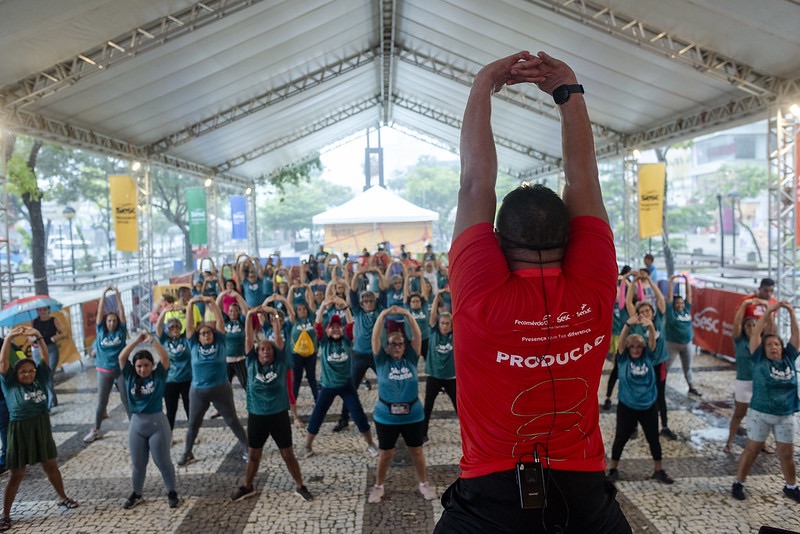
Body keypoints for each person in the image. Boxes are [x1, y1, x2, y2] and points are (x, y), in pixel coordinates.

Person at [434, 51, 629, 533]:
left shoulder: (480, 293)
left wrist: (483, 84)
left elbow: (475, 182)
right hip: (584, 493)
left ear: (497, 243)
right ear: (572, 239)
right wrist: (569, 92)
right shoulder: (596, 284)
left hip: (490, 496)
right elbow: (584, 178)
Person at [230, 306, 312, 502]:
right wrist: (249, 315)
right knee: (254, 455)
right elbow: (249, 340)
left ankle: (300, 485)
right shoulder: (251, 362)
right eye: (262, 349)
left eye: (269, 349)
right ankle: (247, 485)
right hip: (257, 416)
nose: (266, 351)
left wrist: (275, 316)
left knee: (288, 454)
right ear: (257, 353)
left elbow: (279, 340)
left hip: (279, 415)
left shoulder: (280, 362)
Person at [1, 326, 78, 532]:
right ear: (15, 373)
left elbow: (44, 356)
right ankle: (5, 515)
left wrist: (38, 335)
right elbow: (3, 363)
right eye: (23, 371)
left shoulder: (40, 380)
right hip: (19, 430)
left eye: (31, 370)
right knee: (16, 474)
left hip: (41, 427)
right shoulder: (9, 384)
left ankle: (62, 497)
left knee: (51, 466)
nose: (28, 374)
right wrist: (9, 337)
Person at [366, 306, 436, 503]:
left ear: (404, 346)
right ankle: (378, 486)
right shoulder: (381, 361)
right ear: (387, 346)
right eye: (392, 344)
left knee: (417, 451)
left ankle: (423, 483)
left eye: (400, 344)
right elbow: (374, 338)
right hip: (385, 416)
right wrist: (382, 315)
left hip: (413, 414)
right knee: (385, 453)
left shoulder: (411, 359)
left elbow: (417, 336)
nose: (396, 347)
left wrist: (407, 315)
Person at [731, 301, 800, 502]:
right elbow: (755, 335)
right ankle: (738, 483)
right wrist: (769, 311)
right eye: (768, 344)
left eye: (776, 344)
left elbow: (796, 336)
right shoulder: (759, 357)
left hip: (785, 413)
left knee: (787, 453)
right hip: (760, 413)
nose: (772, 347)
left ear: (782, 347)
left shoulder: (788, 357)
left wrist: (791, 312)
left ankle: (791, 485)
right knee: (752, 450)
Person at [178, 296, 248, 466]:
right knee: (193, 424)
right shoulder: (194, 345)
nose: (206, 335)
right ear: (198, 337)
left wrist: (211, 302)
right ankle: (187, 452)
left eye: (209, 332)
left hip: (221, 390)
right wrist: (192, 303)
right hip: (198, 392)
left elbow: (220, 321)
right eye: (203, 333)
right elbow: (188, 326)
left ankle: (248, 448)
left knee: (232, 420)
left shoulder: (220, 342)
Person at [605, 316, 674, 485]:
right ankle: (613, 468)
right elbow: (621, 343)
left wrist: (650, 326)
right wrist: (628, 324)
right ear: (628, 348)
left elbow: (652, 343)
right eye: (632, 346)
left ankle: (658, 470)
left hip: (648, 406)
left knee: (653, 439)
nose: (635, 349)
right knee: (620, 438)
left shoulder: (648, 357)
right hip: (627, 406)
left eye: (639, 346)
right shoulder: (623, 359)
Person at [302, 312, 378, 459]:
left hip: (346, 385)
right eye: (333, 327)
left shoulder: (347, 341)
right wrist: (324, 305)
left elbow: (350, 325)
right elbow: (317, 326)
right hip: (328, 386)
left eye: (338, 327)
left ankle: (370, 444)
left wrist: (344, 306)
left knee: (358, 415)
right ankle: (307, 446)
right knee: (317, 415)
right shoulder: (324, 342)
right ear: (328, 330)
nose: (336, 329)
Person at [118, 332, 179, 509]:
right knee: (138, 464)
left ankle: (172, 492)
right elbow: (122, 357)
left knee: (163, 461)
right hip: (136, 425)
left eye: (146, 365)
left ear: (152, 365)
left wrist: (152, 341)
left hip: (157, 425)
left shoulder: (158, 376)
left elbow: (165, 357)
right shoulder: (130, 376)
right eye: (139, 366)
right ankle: (136, 493)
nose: (142, 369)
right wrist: (136, 341)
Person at [85, 285, 130, 444]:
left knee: (127, 400)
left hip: (120, 371)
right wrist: (103, 294)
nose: (111, 323)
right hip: (103, 371)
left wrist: (117, 294)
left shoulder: (121, 331)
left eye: (114, 320)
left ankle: (135, 427)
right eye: (109, 320)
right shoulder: (100, 331)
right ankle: (96, 429)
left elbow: (121, 311)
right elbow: (100, 312)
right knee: (102, 403)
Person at [724, 298, 762, 454]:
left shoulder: (762, 342)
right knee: (739, 414)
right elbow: (737, 323)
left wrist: (767, 308)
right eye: (748, 325)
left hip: (760, 383)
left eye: (754, 325)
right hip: (743, 382)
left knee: (760, 415)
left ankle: (761, 443)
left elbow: (772, 326)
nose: (751, 328)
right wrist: (745, 305)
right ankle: (729, 442)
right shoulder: (739, 341)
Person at [421, 294, 456, 445]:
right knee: (427, 407)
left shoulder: (456, 335)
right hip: (434, 376)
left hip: (451, 378)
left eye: (447, 323)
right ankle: (423, 435)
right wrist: (436, 297)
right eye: (442, 323)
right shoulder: (434, 331)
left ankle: (468, 435)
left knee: (459, 408)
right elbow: (433, 316)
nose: (444, 326)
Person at [665, 274, 700, 396]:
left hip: (687, 344)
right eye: (677, 303)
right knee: (666, 367)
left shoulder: (686, 310)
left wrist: (686, 281)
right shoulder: (670, 312)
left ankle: (691, 386)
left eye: (682, 303)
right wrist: (671, 281)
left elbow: (689, 296)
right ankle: (659, 386)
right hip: (672, 344)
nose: (680, 305)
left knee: (687, 367)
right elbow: (669, 297)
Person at [155, 311, 192, 431]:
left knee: (190, 409)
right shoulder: (165, 340)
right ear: (168, 330)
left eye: (177, 326)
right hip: (170, 380)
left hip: (187, 379)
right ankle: (168, 435)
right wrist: (165, 311)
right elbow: (158, 326)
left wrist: (186, 309)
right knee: (171, 411)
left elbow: (190, 324)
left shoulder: (185, 339)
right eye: (171, 327)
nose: (174, 329)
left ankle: (192, 433)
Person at [32, 306, 65, 410]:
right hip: (38, 350)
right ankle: (52, 399)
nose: (43, 312)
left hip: (51, 349)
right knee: (41, 375)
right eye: (40, 310)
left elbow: (63, 333)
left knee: (48, 375)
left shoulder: (53, 320)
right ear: (37, 311)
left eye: (45, 310)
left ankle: (48, 403)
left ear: (49, 310)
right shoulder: (34, 322)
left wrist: (57, 337)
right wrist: (32, 338)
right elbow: (29, 336)